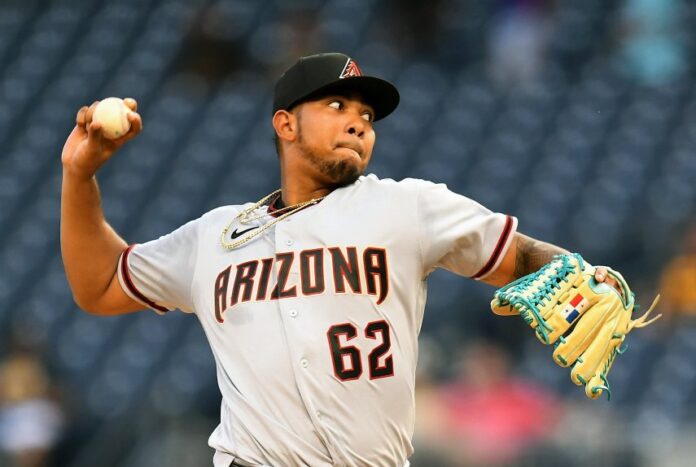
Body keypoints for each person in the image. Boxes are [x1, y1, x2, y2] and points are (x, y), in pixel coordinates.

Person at [60, 52, 618, 467]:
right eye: (336, 105)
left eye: (367, 115)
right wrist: (79, 176)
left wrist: (586, 273)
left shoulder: (406, 206)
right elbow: (100, 285)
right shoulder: (214, 237)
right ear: (285, 124)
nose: (359, 122)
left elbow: (525, 256)